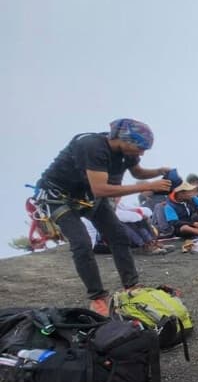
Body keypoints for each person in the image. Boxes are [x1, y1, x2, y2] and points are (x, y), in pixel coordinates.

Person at [34, 119, 172, 315]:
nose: (141, 153)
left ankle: (131, 286)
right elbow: (100, 189)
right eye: (139, 148)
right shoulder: (92, 147)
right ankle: (98, 297)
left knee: (118, 235)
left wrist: (159, 171)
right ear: (122, 139)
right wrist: (149, 186)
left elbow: (138, 172)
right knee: (81, 243)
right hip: (57, 197)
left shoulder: (127, 151)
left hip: (86, 197)